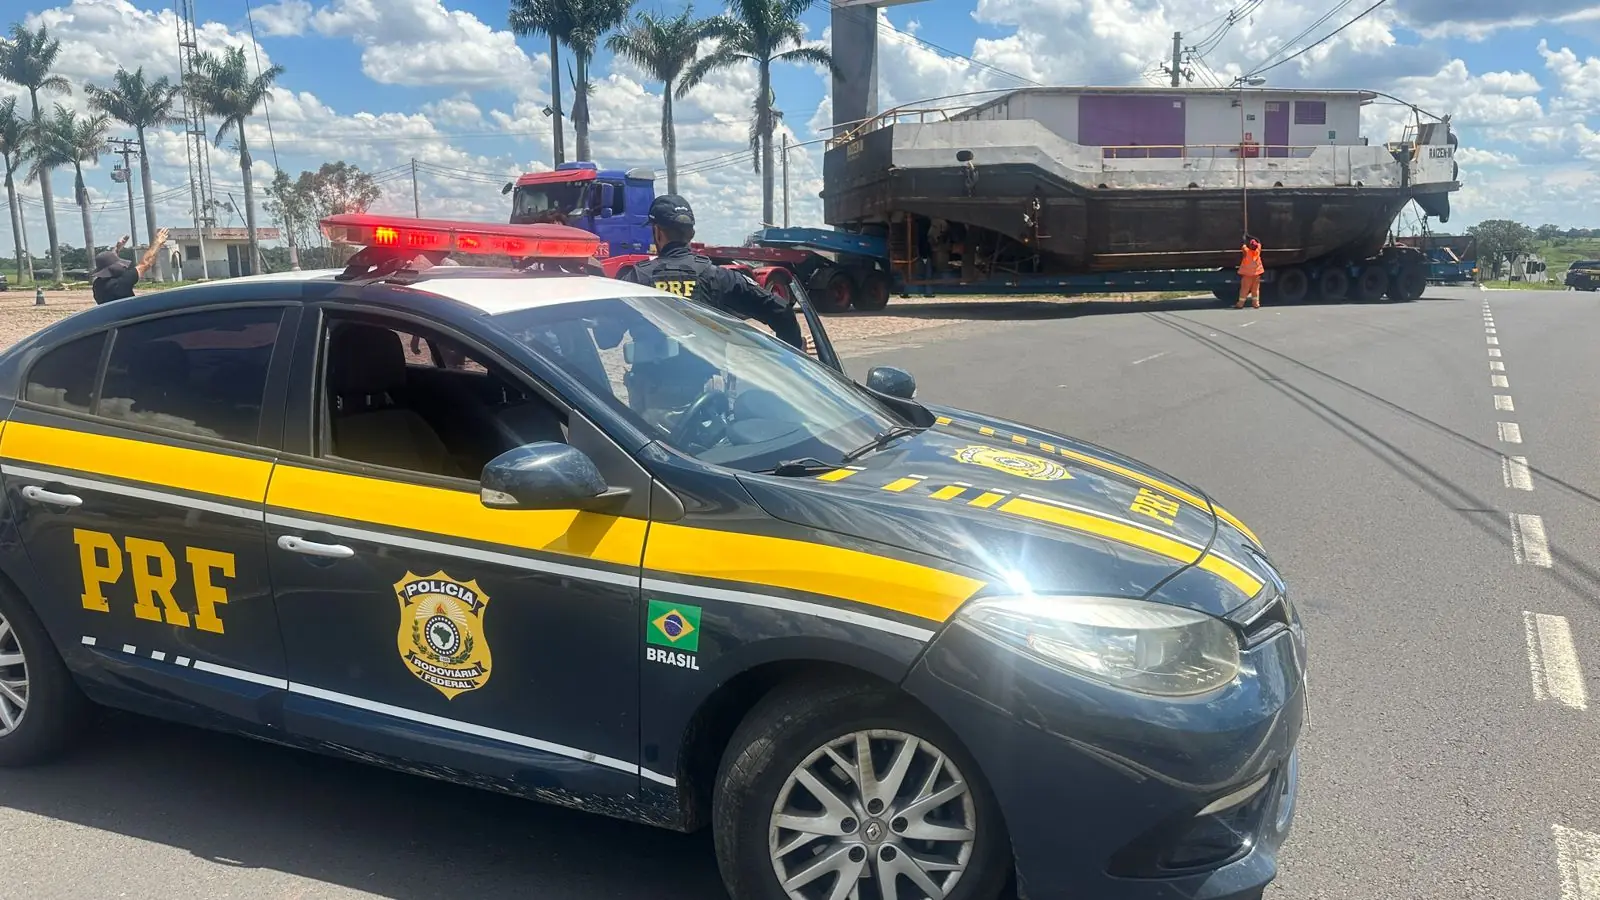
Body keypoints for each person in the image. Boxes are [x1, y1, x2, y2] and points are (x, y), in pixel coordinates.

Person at [618, 194, 805, 351]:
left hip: (649, 389)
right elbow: (781, 310)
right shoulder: (719, 276)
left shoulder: (636, 279)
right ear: (691, 233)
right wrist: (790, 364)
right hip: (708, 388)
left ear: (657, 232)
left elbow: (607, 339)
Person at [92, 228, 170, 305]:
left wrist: (117, 248)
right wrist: (158, 243)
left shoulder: (97, 285)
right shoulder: (121, 282)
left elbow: (108, 262)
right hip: (128, 316)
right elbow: (146, 263)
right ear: (114, 269)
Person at [1235, 234, 1264, 309]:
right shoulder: (1258, 251)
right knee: (1255, 290)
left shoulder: (1247, 252)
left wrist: (1245, 239)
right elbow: (1259, 242)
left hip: (1247, 275)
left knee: (1244, 290)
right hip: (1257, 274)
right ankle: (1256, 304)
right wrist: (1254, 237)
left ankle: (1240, 304)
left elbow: (1243, 246)